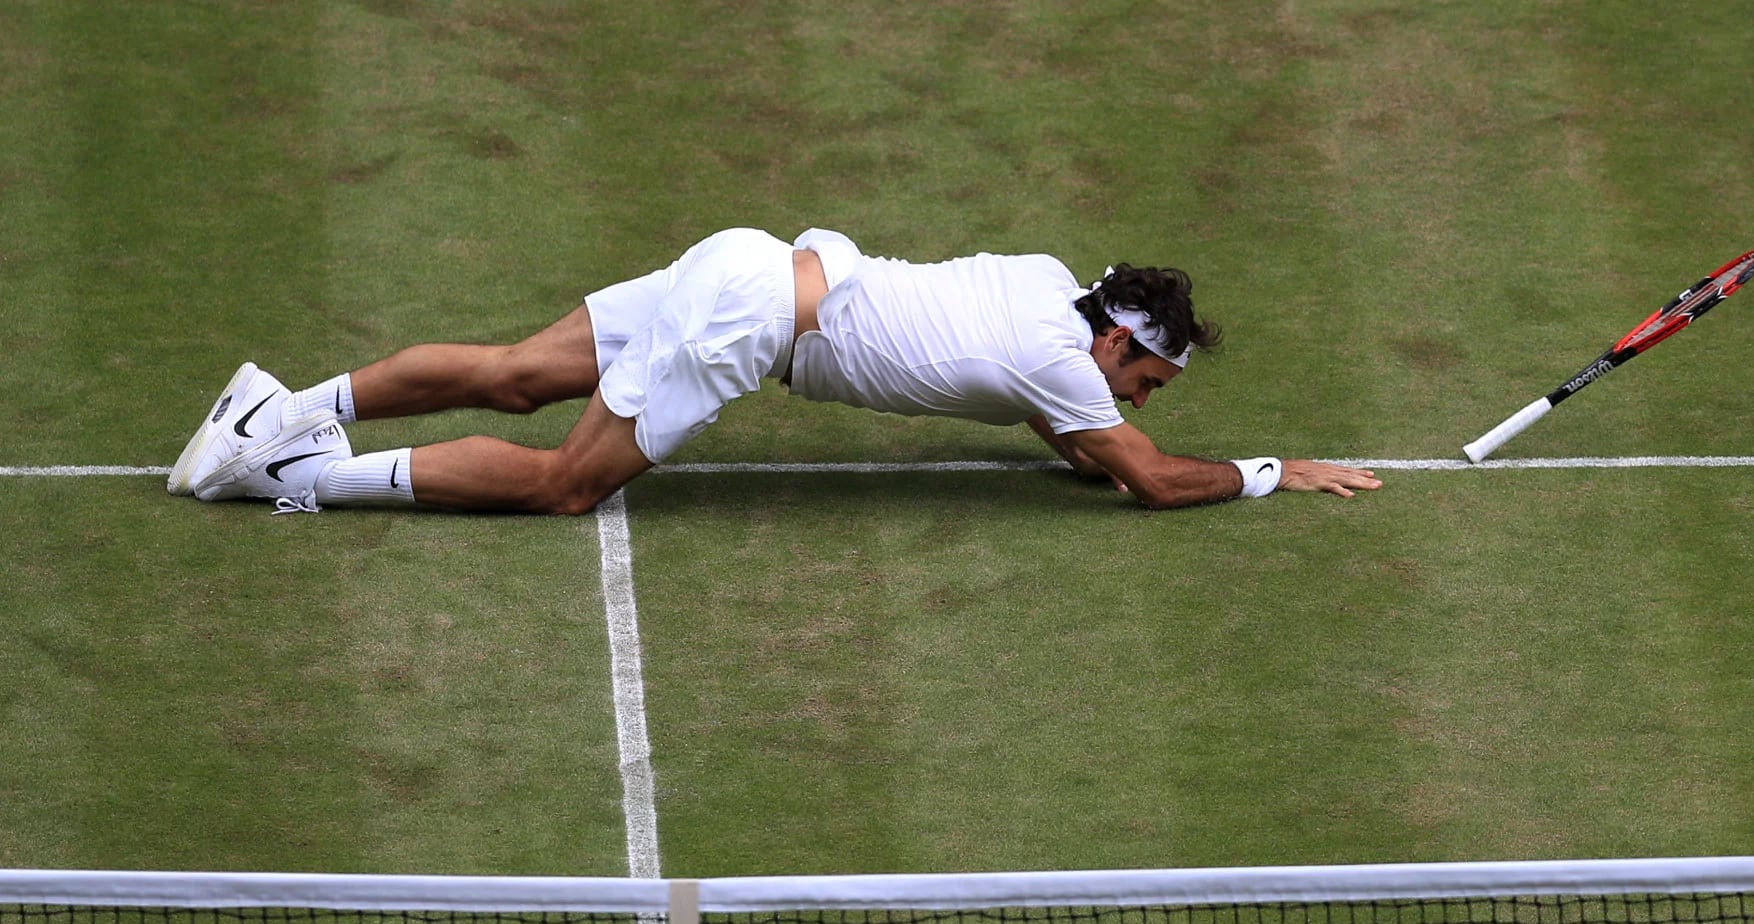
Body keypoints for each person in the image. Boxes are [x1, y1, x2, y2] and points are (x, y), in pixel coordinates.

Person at [168, 227, 1381, 515]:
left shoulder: (1048, 279)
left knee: (512, 370)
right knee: (565, 484)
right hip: (752, 325)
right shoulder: (1067, 367)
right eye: (1149, 382)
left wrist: (1097, 451)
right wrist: (1275, 470)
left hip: (758, 253)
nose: (1142, 404)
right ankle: (290, 473)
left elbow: (1075, 435)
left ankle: (279, 405)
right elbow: (1152, 482)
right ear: (1117, 342)